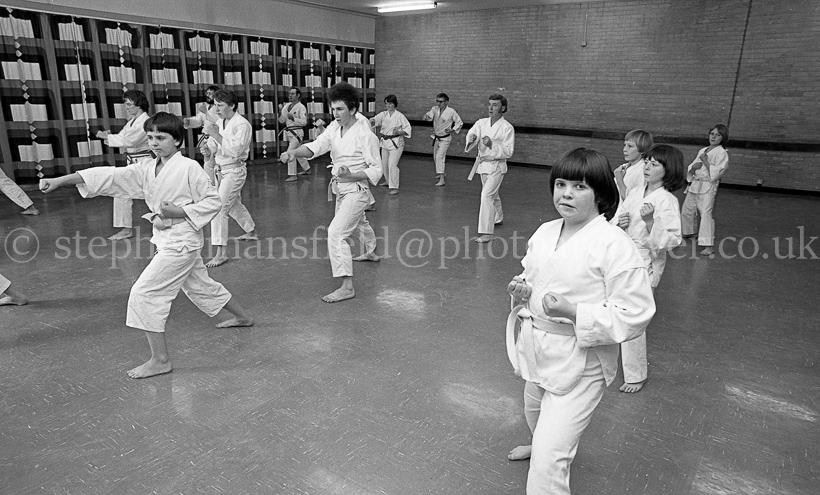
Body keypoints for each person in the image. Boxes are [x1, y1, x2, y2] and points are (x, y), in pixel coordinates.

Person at [39, 112, 253, 379]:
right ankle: (243, 317)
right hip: (166, 240)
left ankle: (160, 360)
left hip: (182, 242)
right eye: (150, 137)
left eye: (161, 137)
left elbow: (213, 202)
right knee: (201, 285)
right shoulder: (147, 169)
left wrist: (180, 212)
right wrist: (62, 181)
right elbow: (109, 176)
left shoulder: (188, 167)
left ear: (177, 141)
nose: (154, 142)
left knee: (145, 293)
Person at [505, 148, 655, 495]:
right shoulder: (545, 232)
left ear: (601, 194)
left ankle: (546, 453)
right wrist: (521, 289)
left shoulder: (615, 245)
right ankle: (540, 442)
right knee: (533, 409)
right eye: (560, 184)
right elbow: (531, 275)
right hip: (539, 346)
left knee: (549, 462)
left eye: (579, 187)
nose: (566, 194)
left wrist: (575, 313)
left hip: (581, 359)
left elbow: (635, 313)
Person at [278, 82, 382, 303]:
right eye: (333, 109)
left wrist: (350, 175)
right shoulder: (334, 128)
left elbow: (377, 170)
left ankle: (346, 286)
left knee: (336, 232)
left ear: (353, 109)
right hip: (341, 188)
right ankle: (372, 251)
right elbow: (316, 146)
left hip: (357, 190)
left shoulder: (365, 135)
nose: (335, 114)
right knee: (359, 222)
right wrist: (293, 153)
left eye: (340, 109)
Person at [612, 144, 685, 393]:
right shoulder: (635, 192)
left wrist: (651, 222)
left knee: (634, 318)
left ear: (668, 171)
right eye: (647, 162)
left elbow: (674, 239)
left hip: (645, 263)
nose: (647, 167)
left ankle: (635, 374)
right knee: (611, 309)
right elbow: (618, 217)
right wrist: (618, 223)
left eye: (655, 164)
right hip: (622, 258)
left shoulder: (667, 200)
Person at [201, 89, 258, 268]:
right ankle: (251, 231)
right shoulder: (220, 121)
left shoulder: (242, 124)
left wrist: (216, 134)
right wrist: (207, 150)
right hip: (221, 169)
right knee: (233, 205)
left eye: (220, 105)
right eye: (215, 105)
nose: (216, 109)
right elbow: (213, 147)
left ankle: (221, 253)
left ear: (232, 105)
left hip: (235, 171)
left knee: (219, 208)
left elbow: (236, 150)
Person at [95, 90, 151, 240]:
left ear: (138, 106)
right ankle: (126, 229)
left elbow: (131, 141)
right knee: (121, 191)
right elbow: (122, 137)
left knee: (154, 192)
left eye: (129, 104)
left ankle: (170, 222)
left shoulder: (145, 122)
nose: (126, 108)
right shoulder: (132, 122)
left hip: (145, 163)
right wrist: (108, 137)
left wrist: (107, 137)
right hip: (133, 163)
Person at [465, 94, 514, 243]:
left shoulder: (507, 128)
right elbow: (471, 134)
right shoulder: (481, 123)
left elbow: (508, 151)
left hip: (497, 166)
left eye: (495, 105)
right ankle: (497, 217)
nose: (491, 108)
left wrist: (492, 144)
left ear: (503, 108)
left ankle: (487, 232)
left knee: (486, 195)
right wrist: (472, 138)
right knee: (493, 194)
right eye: (490, 104)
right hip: (483, 165)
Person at [681, 124, 730, 257]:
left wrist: (706, 162)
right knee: (687, 210)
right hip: (695, 184)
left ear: (723, 138)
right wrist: (693, 168)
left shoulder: (722, 153)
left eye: (718, 135)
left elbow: (718, 173)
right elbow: (693, 166)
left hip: (708, 186)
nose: (713, 137)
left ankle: (708, 246)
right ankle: (689, 232)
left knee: (705, 214)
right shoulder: (703, 150)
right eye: (712, 134)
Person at [371, 94, 411, 195]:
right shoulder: (383, 114)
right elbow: (375, 120)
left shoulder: (400, 116)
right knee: (384, 164)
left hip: (396, 143)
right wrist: (369, 120)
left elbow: (408, 129)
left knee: (392, 164)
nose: (388, 106)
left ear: (394, 104)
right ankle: (388, 181)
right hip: (385, 142)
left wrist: (398, 132)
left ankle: (394, 187)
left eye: (390, 104)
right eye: (386, 104)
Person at [423, 92, 463, 186]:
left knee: (439, 157)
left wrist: (452, 129)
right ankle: (442, 173)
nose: (438, 103)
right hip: (436, 137)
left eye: (441, 102)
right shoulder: (434, 109)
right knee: (435, 157)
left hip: (445, 139)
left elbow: (459, 123)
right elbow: (429, 116)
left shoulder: (451, 111)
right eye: (437, 101)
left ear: (446, 102)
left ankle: (442, 179)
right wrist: (426, 117)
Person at [278, 87, 311, 181]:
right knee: (298, 153)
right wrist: (280, 113)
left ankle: (293, 175)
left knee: (290, 152)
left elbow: (304, 122)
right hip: (289, 132)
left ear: (298, 95)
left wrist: (293, 118)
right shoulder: (287, 106)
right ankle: (307, 169)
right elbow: (282, 120)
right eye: (289, 94)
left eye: (292, 94)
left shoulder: (301, 107)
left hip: (297, 133)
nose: (290, 96)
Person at [613, 129, 653, 200]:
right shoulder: (624, 167)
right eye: (624, 145)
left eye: (630, 146)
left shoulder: (643, 171)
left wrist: (620, 181)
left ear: (642, 149)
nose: (624, 149)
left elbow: (634, 202)